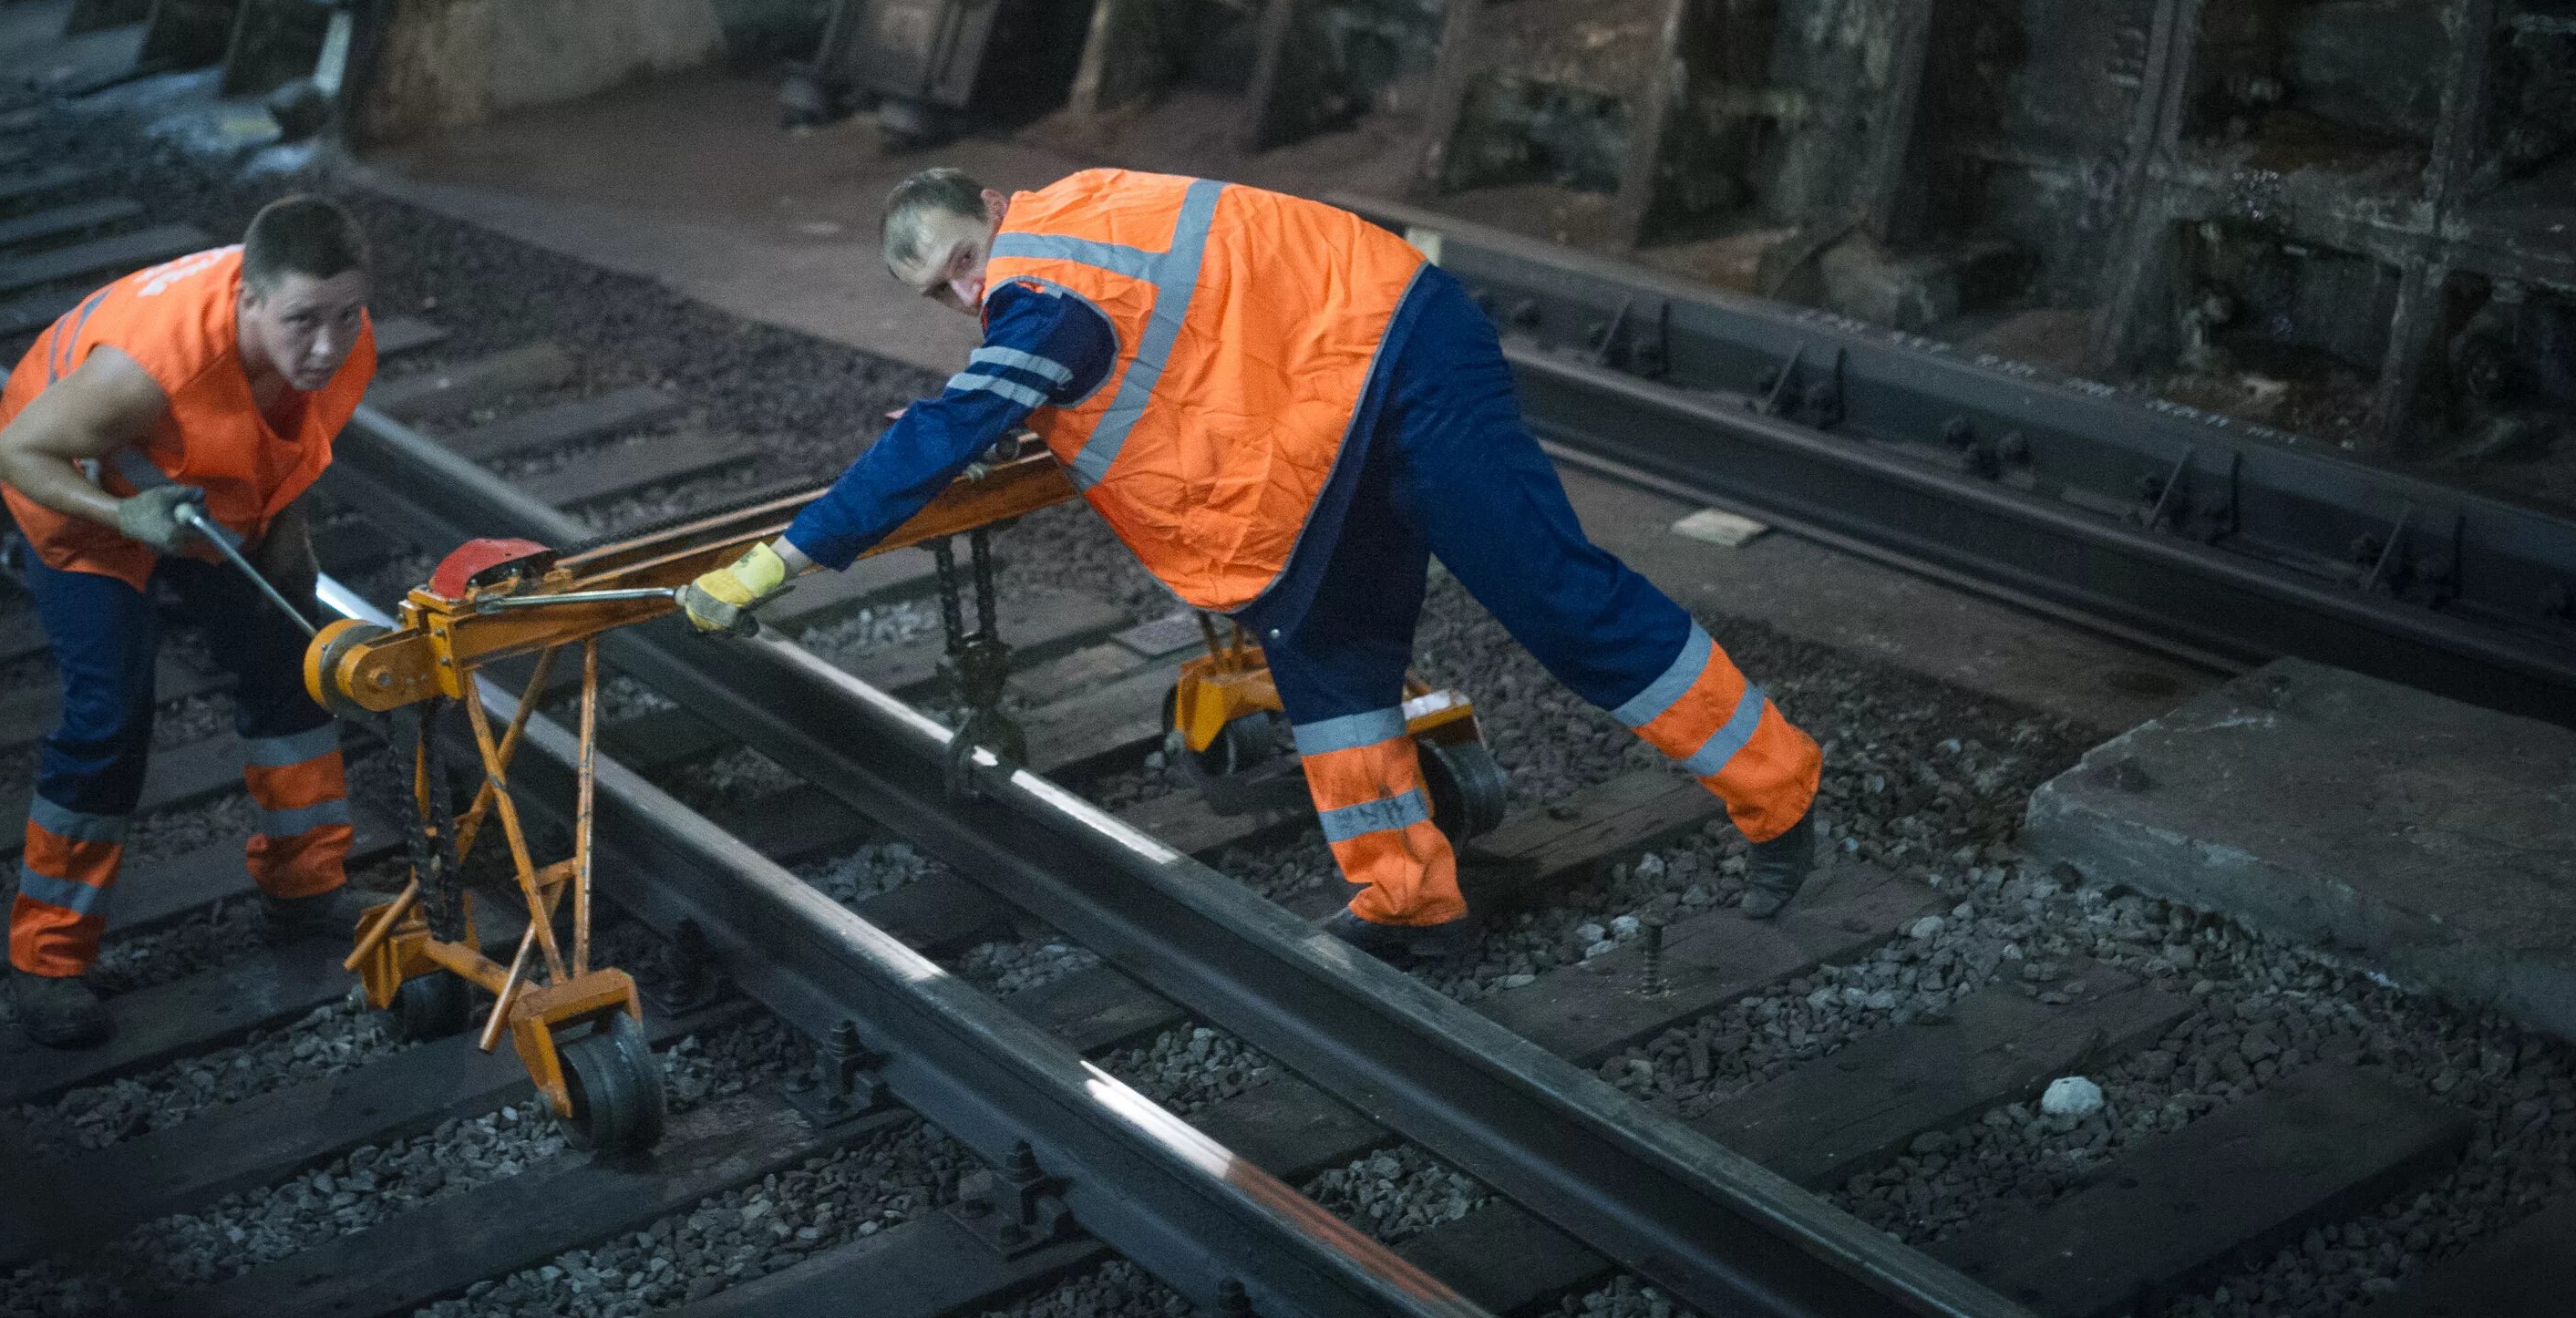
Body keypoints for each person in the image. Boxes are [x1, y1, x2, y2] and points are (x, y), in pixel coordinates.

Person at [682, 168, 1824, 963]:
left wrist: (786, 557)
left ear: (993, 211)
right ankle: (1406, 892)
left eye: (964, 264)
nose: (967, 296)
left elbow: (977, 404)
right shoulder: (1073, 234)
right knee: (1322, 647)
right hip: (1324, 398)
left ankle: (1778, 792)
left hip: (1403, 355)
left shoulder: (1043, 283)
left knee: (1556, 594)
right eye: (942, 294)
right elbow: (1152, 347)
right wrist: (1003, 400)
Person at [0, 196, 378, 1046]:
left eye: (346, 315)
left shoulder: (344, 342)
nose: (328, 345)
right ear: (248, 301)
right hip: (83, 488)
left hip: (197, 488)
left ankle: (305, 888)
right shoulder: (150, 370)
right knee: (110, 717)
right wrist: (127, 521)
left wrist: (289, 532)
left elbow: (289, 445)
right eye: (302, 321)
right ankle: (46, 962)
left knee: (289, 664)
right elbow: (13, 452)